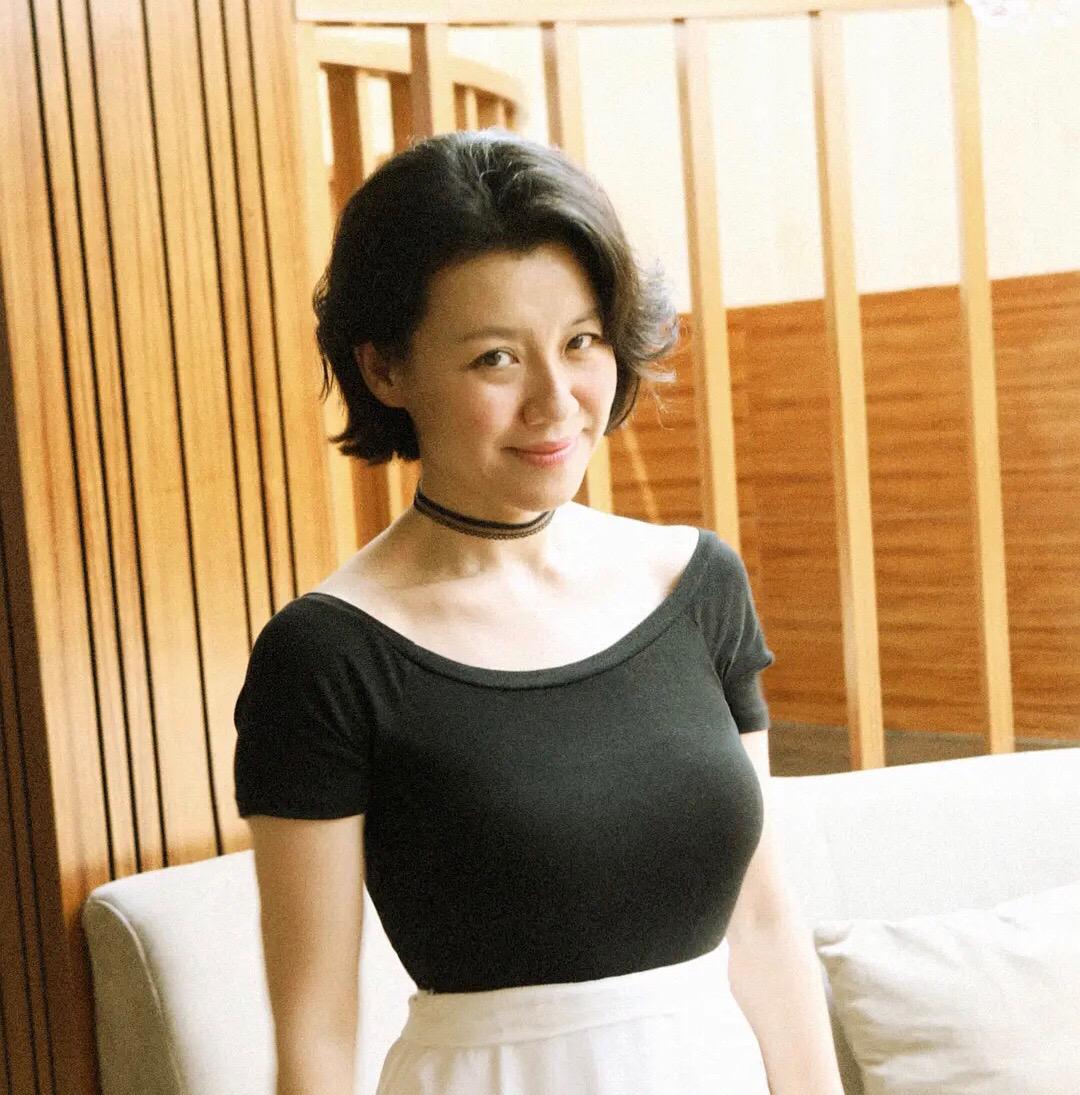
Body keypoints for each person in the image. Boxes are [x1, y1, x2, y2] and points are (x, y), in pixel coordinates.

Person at [233, 129, 843, 1095]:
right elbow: (315, 1025)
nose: (556, 402)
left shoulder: (696, 585)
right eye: (495, 358)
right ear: (386, 370)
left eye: (581, 342)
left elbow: (764, 925)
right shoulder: (328, 653)